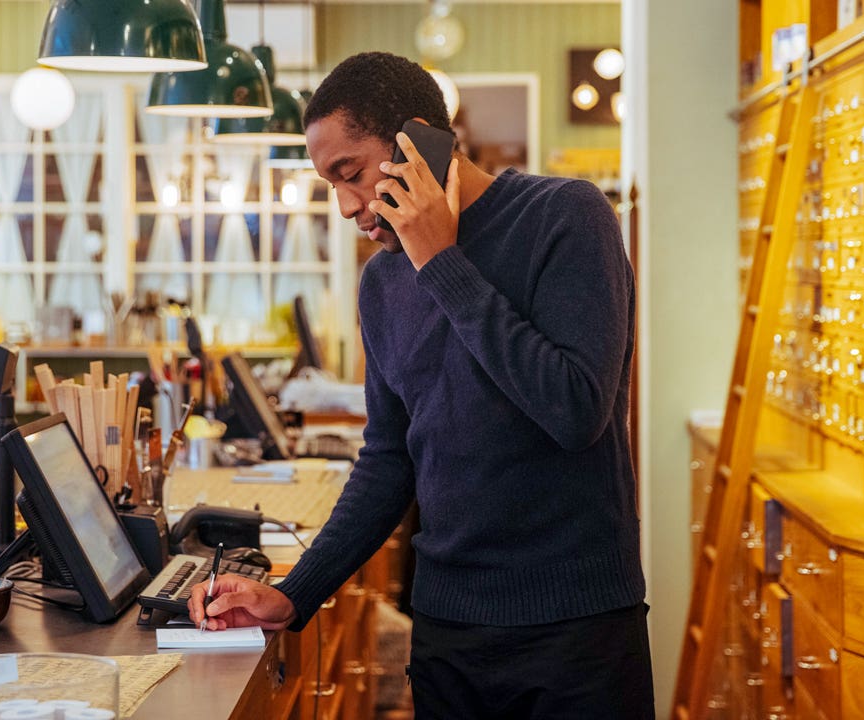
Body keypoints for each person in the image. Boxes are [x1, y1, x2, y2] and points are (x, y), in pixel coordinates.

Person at [189, 51, 652, 718]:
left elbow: (576, 410)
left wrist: (440, 259)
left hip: (575, 633)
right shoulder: (381, 284)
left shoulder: (565, 217)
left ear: (416, 142)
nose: (347, 206)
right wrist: (296, 594)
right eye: (332, 186)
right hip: (447, 632)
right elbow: (388, 460)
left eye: (350, 174)